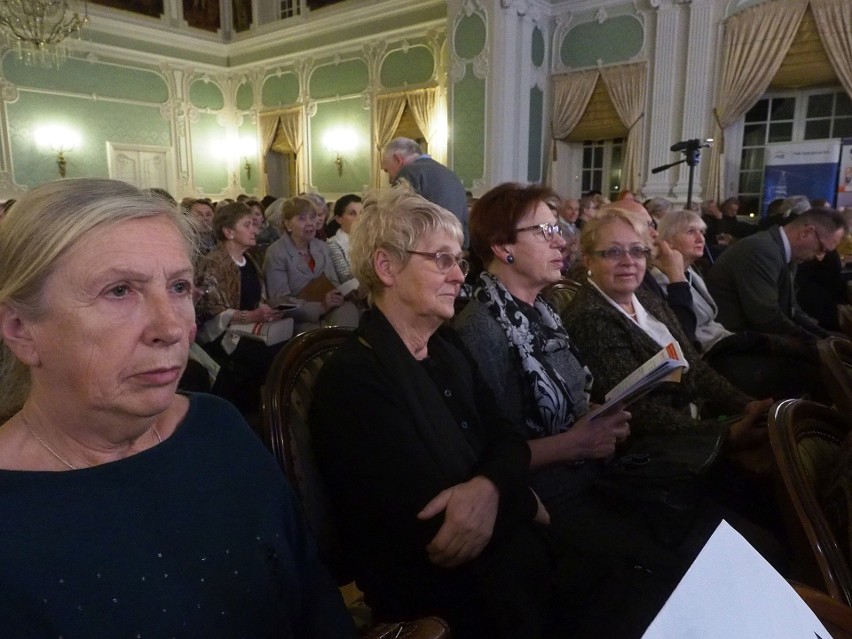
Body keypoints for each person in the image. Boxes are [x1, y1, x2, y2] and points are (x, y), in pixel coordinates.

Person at [0, 178, 355, 638]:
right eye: (120, 291)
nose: (172, 327)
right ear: (21, 329)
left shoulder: (216, 426)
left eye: (179, 286)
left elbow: (311, 596)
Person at [455, 183, 716, 637]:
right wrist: (578, 440)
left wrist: (598, 411)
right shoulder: (483, 327)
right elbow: (492, 449)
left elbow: (565, 395)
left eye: (558, 228)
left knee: (695, 536)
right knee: (665, 573)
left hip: (588, 474)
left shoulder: (542, 309)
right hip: (542, 498)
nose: (561, 241)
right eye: (544, 230)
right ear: (502, 247)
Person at [310, 188, 557, 639]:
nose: (460, 275)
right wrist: (521, 498)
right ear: (386, 267)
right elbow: (435, 521)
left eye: (459, 260)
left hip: (501, 558)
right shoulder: (354, 379)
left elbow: (507, 437)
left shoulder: (445, 346)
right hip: (436, 598)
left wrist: (488, 485)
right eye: (441, 259)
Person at [562, 208, 771, 443]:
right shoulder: (591, 316)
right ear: (589, 259)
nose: (628, 261)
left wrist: (745, 404)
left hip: (694, 423)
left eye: (637, 251)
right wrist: (723, 435)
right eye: (613, 252)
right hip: (653, 446)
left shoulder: (643, 295)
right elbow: (637, 411)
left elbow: (692, 364)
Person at [654, 209, 827, 400]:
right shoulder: (662, 280)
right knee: (799, 369)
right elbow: (683, 332)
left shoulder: (691, 272)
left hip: (726, 341)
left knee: (806, 357)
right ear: (667, 240)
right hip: (709, 355)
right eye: (690, 232)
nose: (700, 238)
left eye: (702, 232)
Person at [705, 207, 847, 345]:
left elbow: (792, 310)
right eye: (821, 249)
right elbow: (766, 318)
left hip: (754, 337)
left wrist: (827, 336)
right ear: (806, 232)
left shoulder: (782, 251)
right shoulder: (761, 250)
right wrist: (820, 343)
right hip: (735, 344)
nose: (820, 257)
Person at [195, 201, 286, 414]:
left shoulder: (249, 261)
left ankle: (274, 412)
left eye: (254, 224)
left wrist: (266, 311)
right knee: (264, 356)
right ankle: (255, 414)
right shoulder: (214, 262)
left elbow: (256, 298)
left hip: (249, 327)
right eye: (247, 225)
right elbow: (209, 309)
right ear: (229, 232)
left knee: (284, 347)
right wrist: (252, 315)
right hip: (221, 334)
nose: (254, 230)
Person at [263, 196, 359, 333]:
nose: (310, 223)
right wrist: (320, 307)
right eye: (302, 218)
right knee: (317, 331)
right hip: (297, 317)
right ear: (288, 224)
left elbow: (333, 282)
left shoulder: (321, 246)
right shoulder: (276, 252)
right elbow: (280, 302)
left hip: (328, 307)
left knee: (349, 310)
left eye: (313, 217)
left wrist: (344, 293)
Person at [381, 137, 469, 248]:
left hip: (427, 251)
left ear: (398, 159)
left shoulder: (408, 173)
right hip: (456, 248)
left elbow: (397, 223)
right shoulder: (450, 174)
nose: (390, 178)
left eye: (387, 170)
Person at [326, 193, 362, 285]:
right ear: (339, 219)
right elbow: (346, 279)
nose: (359, 218)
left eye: (362, 213)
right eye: (352, 214)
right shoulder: (333, 244)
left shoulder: (370, 240)